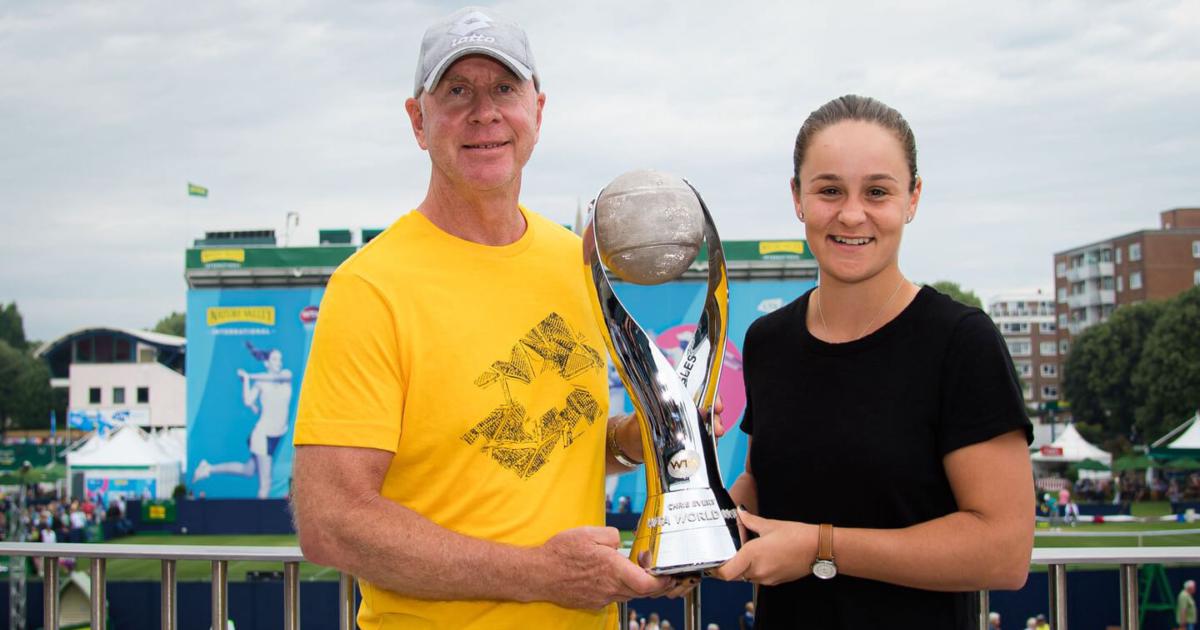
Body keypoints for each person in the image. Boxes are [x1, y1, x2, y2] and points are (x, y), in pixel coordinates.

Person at [289, 6, 702, 629]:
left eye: (505, 88)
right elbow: (331, 523)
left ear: (538, 110)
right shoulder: (370, 288)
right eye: (457, 91)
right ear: (418, 120)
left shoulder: (575, 261)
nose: (485, 112)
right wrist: (541, 574)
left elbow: (538, 444)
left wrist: (640, 436)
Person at [711, 95, 1035, 628]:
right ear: (797, 197)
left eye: (877, 192)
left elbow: (1004, 551)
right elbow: (765, 486)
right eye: (829, 190)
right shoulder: (768, 340)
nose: (851, 214)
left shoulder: (960, 342)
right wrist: (698, 521)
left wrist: (821, 548)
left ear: (913, 198)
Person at [193, 344, 294, 498]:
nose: (279, 362)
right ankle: (261, 514)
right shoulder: (260, 383)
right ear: (266, 363)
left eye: (280, 359)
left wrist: (249, 376)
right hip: (263, 435)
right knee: (265, 484)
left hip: (277, 435)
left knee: (248, 470)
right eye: (274, 359)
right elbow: (248, 401)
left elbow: (272, 378)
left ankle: (208, 468)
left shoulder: (286, 375)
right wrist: (246, 380)